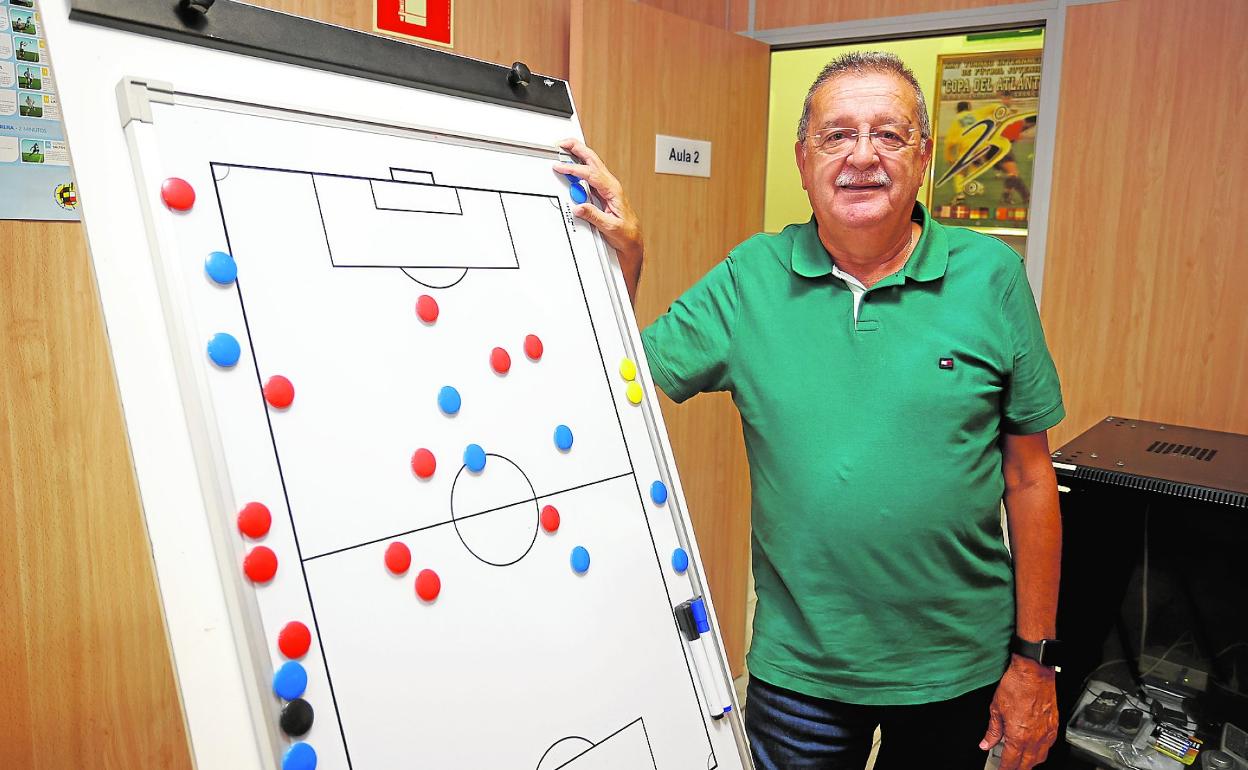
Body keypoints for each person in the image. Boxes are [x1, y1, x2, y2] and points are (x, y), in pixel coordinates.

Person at [554, 51, 1064, 770]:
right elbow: (617, 388)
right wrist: (625, 264)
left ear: (922, 159)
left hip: (957, 668)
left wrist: (1035, 662)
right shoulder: (749, 277)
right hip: (802, 675)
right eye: (837, 135)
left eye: (888, 135)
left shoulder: (993, 278)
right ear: (803, 159)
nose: (862, 157)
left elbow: (1031, 479)